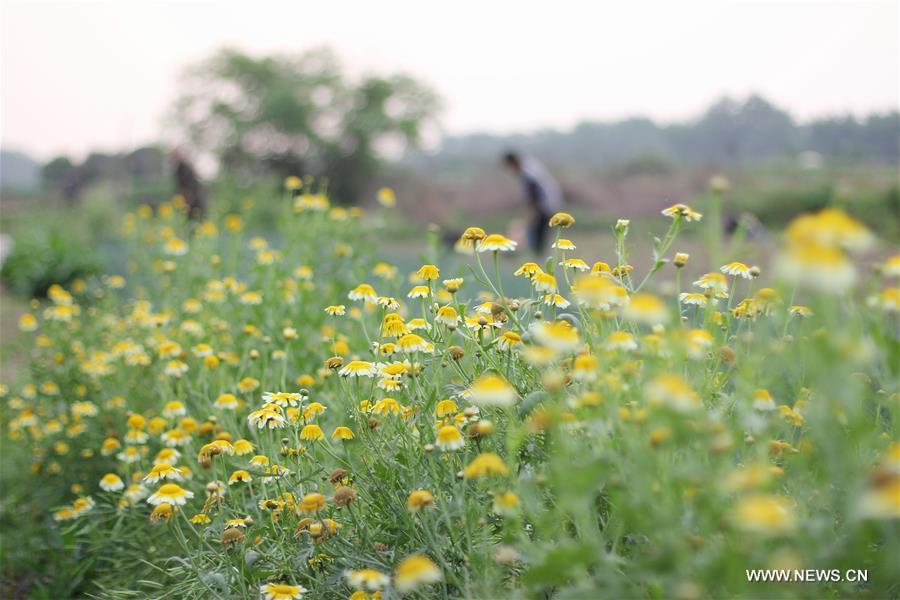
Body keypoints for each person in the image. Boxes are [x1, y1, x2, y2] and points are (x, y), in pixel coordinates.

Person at [502, 151, 563, 255]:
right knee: (537, 233)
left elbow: (534, 193)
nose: (510, 170)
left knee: (537, 233)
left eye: (509, 167)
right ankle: (538, 255)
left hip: (545, 206)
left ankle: (537, 256)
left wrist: (533, 211)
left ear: (513, 163)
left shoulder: (527, 173)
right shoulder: (530, 166)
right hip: (550, 203)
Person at [170, 148, 206, 220]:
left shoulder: (183, 167)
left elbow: (188, 185)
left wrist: (186, 197)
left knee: (195, 216)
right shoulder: (181, 167)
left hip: (193, 197)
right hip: (191, 196)